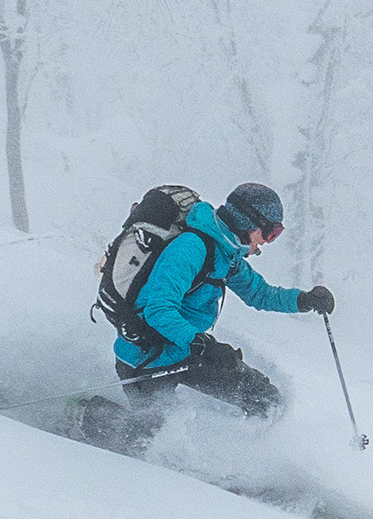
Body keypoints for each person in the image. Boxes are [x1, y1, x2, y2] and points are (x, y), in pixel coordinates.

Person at [113, 181, 332, 430]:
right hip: (147, 355)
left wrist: (305, 300)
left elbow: (259, 293)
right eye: (270, 232)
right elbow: (158, 309)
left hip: (188, 352)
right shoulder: (191, 248)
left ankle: (243, 455)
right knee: (152, 436)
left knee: (265, 400)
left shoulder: (226, 254)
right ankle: (83, 414)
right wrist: (202, 344)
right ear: (248, 222)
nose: (268, 242)